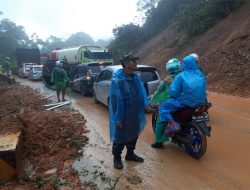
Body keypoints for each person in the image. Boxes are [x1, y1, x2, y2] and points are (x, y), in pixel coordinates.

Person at [109, 54, 150, 169]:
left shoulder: (134, 77)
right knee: (120, 137)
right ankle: (117, 158)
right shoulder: (118, 80)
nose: (135, 67)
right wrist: (118, 118)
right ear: (126, 64)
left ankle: (130, 154)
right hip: (122, 114)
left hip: (134, 112)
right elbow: (114, 100)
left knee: (133, 134)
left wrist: (146, 105)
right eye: (132, 64)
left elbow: (141, 92)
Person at [158, 54, 207, 134]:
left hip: (185, 103)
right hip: (201, 102)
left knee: (163, 107)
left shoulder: (181, 76)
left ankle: (174, 125)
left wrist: (171, 92)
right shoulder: (200, 73)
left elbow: (174, 92)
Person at [151, 58, 182, 149]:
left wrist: (154, 97)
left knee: (161, 120)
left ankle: (159, 141)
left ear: (169, 69)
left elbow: (160, 89)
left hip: (172, 103)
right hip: (186, 101)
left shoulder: (169, 79)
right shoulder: (184, 75)